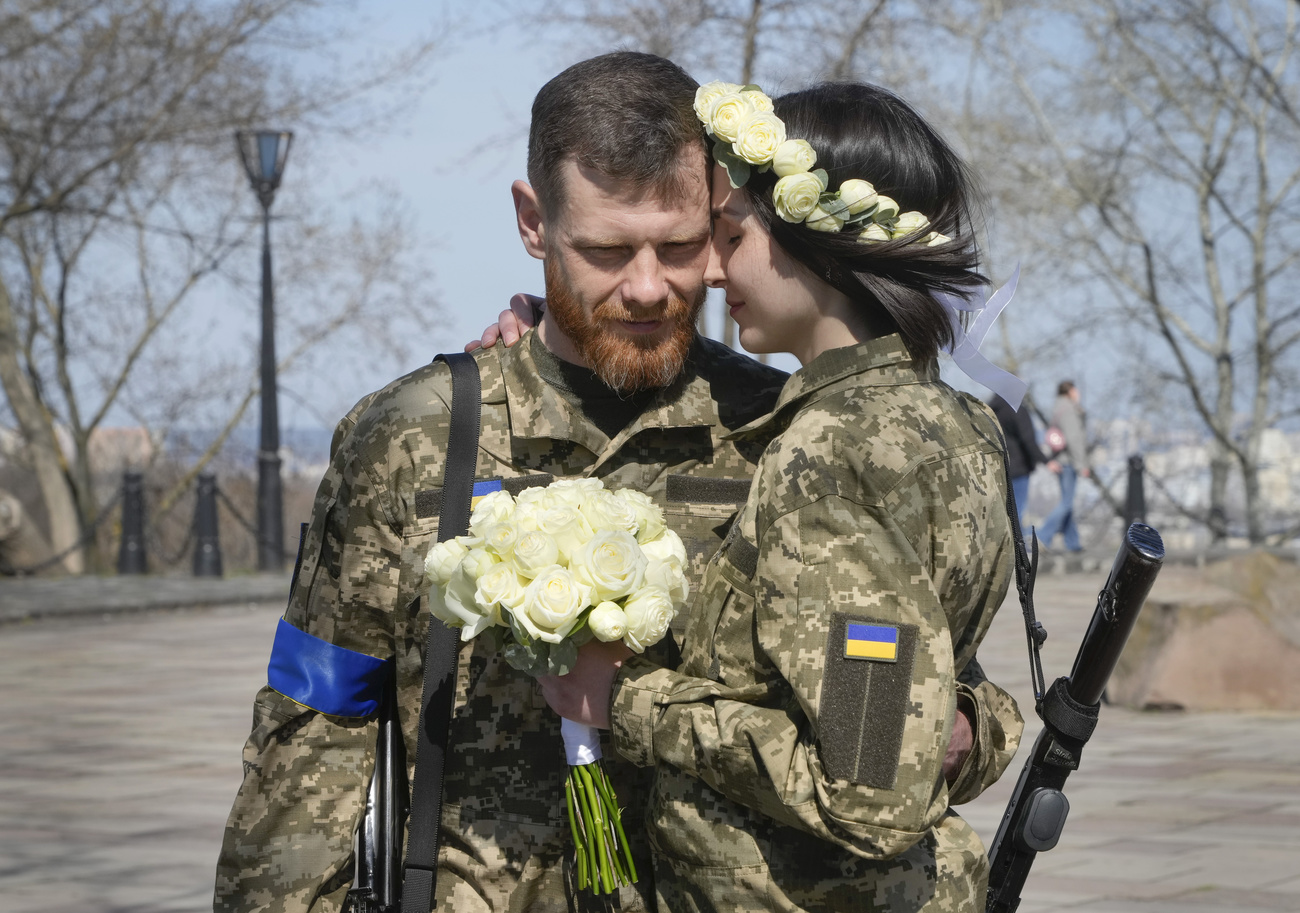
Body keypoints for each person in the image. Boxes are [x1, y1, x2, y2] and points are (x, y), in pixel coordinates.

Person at [216, 54, 1019, 913]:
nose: (648, 287)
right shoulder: (418, 435)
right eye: (605, 250)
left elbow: (932, 688)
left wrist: (951, 735)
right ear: (534, 223)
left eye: (681, 246)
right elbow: (316, 714)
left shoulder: (785, 430)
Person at [539, 80, 1024, 912]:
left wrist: (624, 698)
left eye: (732, 236)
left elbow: (869, 794)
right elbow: (918, 707)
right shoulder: (953, 423)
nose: (715, 268)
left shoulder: (828, 454)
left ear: (811, 244)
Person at [1037, 380, 1089, 552]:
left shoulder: (1058, 408)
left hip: (1061, 460)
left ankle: (1073, 542)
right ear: (1070, 391)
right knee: (1066, 502)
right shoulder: (1068, 410)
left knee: (1068, 502)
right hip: (1068, 462)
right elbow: (1074, 438)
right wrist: (1081, 464)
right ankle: (1042, 536)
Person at [990, 394, 1049, 530]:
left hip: (996, 466)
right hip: (1018, 466)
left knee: (1003, 512)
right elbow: (1028, 439)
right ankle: (1018, 548)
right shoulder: (1017, 410)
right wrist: (1044, 460)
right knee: (1017, 511)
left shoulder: (989, 409)